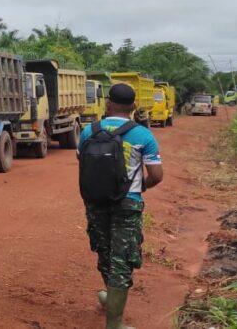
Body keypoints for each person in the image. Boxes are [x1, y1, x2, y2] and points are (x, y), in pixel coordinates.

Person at [77, 83, 164, 329]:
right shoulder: (143, 135)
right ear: (134, 106)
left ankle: (109, 297)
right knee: (122, 259)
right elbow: (156, 175)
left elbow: (83, 163)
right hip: (128, 204)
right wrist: (141, 186)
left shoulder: (88, 131)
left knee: (104, 252)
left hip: (96, 202)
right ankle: (114, 324)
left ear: (108, 103)